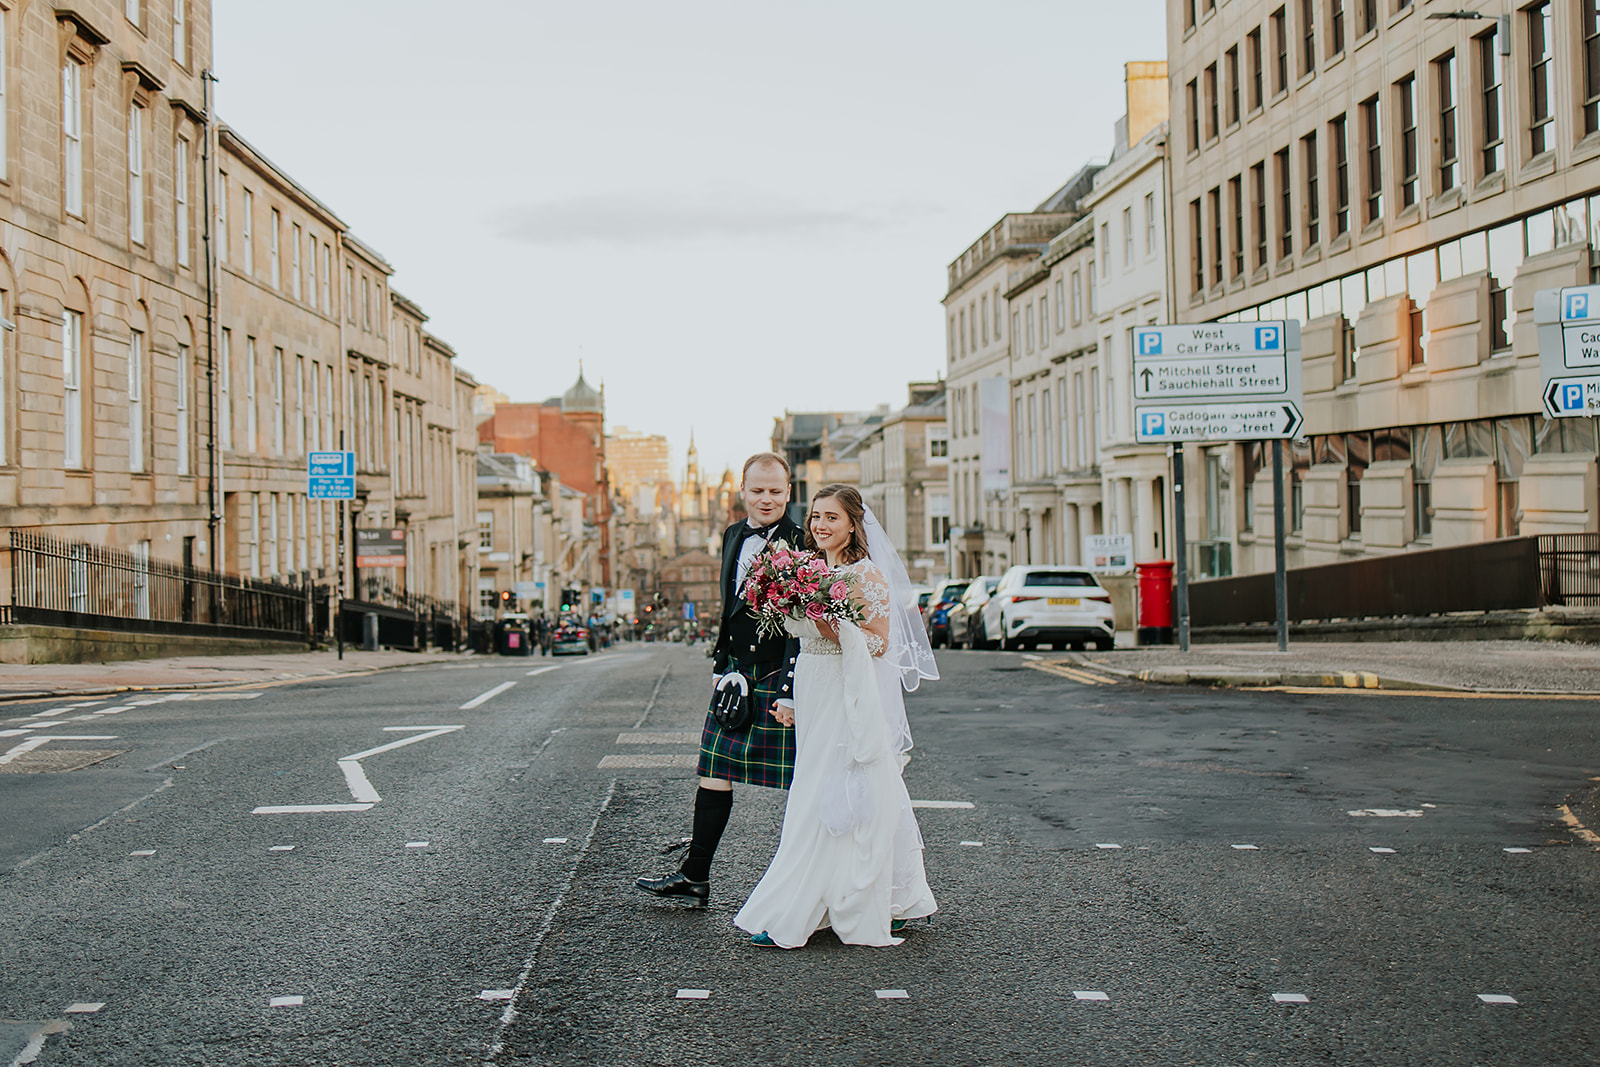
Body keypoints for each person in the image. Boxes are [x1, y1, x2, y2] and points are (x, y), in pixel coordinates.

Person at [733, 484, 939, 948]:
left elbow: (882, 641)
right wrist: (789, 696)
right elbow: (795, 638)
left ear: (852, 524)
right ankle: (857, 897)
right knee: (813, 785)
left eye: (831, 517)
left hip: (849, 691)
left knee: (850, 787)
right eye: (816, 517)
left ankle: (844, 901)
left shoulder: (867, 576)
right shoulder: (805, 572)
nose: (820, 525)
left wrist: (832, 624)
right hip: (814, 684)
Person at [635, 452, 804, 904]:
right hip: (737, 674)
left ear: (789, 492)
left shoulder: (803, 541)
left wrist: (790, 691)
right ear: (742, 492)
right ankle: (694, 877)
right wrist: (719, 665)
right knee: (713, 769)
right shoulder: (732, 534)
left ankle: (810, 884)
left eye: (775, 490)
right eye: (757, 490)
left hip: (778, 676)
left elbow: (800, 626)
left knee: (807, 781)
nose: (766, 499)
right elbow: (729, 608)